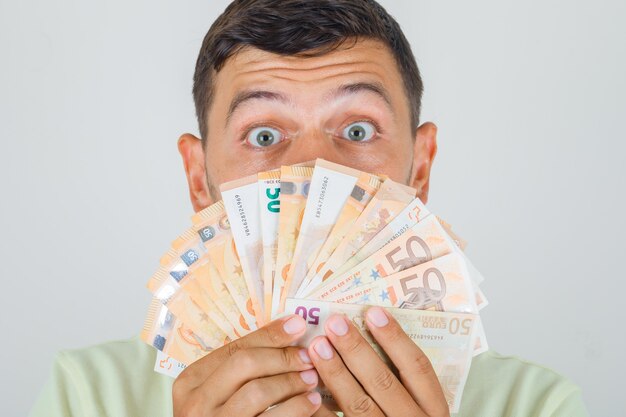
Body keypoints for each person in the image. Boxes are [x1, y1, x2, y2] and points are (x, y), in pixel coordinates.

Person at [30, 1, 589, 416]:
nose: (317, 170)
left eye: (356, 128)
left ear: (419, 170)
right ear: (200, 179)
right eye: (266, 135)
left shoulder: (536, 405)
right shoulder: (87, 396)